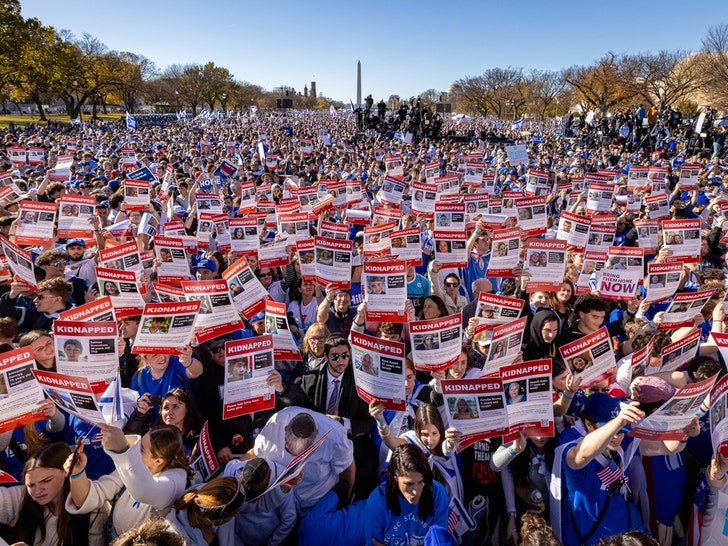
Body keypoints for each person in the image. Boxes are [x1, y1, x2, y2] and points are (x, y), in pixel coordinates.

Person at [65, 424, 193, 542]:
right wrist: (77, 473)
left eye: (141, 449)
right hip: (111, 535)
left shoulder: (176, 480)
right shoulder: (135, 465)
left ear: (158, 461)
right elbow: (93, 496)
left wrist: (122, 451)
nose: (135, 451)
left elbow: (145, 491)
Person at [302, 334, 375, 499]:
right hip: (319, 445)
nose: (341, 361)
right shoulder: (310, 379)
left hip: (351, 445)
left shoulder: (361, 382)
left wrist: (343, 422)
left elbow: (367, 423)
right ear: (326, 356)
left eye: (345, 356)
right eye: (335, 356)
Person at [0, 442, 106, 546]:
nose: (37, 491)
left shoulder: (92, 507)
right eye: (31, 485)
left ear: (66, 471)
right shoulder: (23, 498)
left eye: (46, 481)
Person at [364, 444, 450, 546]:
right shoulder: (377, 501)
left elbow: (439, 541)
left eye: (421, 482)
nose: (415, 491)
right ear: (395, 477)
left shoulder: (438, 494)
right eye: (409, 484)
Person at [166, 476, 243, 544]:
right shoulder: (176, 539)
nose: (237, 514)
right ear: (217, 518)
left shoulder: (210, 494)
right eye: (233, 514)